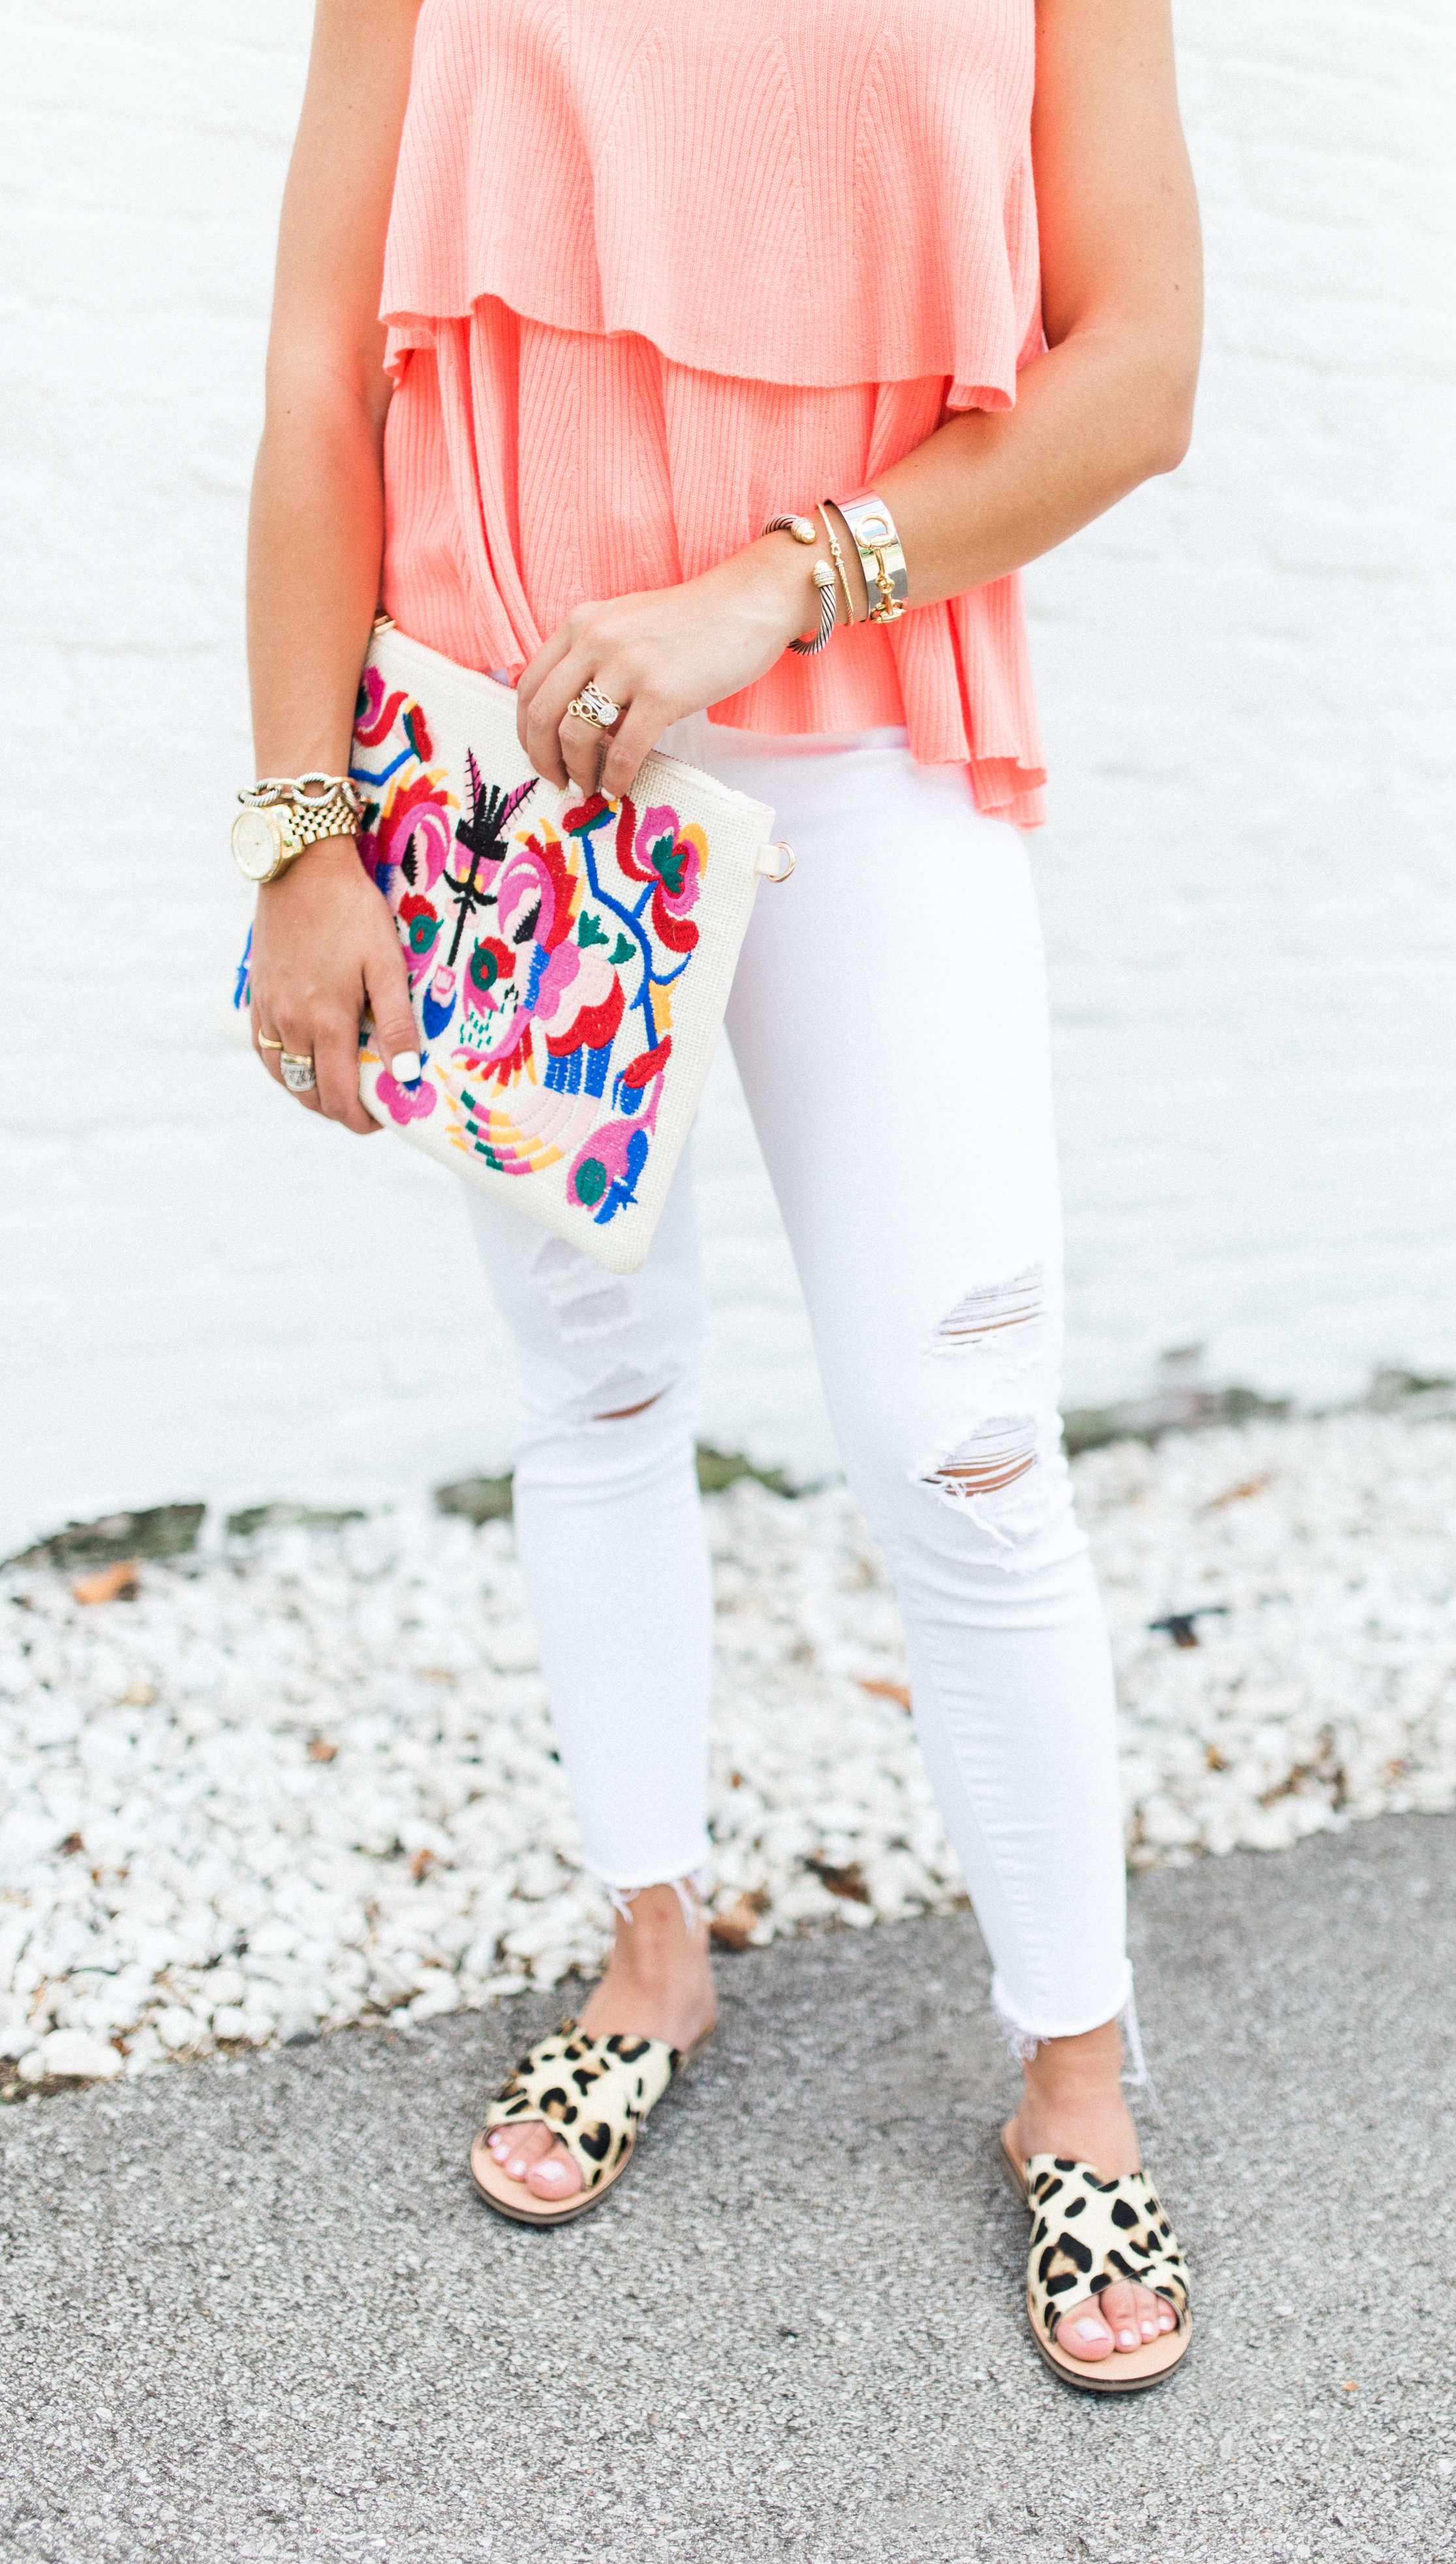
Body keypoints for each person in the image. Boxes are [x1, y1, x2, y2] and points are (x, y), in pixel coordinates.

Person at [242, 0, 1202, 2391]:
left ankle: (1068, 2082)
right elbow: (308, 376)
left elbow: (1142, 367)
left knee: (961, 1449)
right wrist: (297, 840)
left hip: (868, 748)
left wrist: (778, 579)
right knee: (598, 1392)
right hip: (503, 786)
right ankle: (651, 1951)